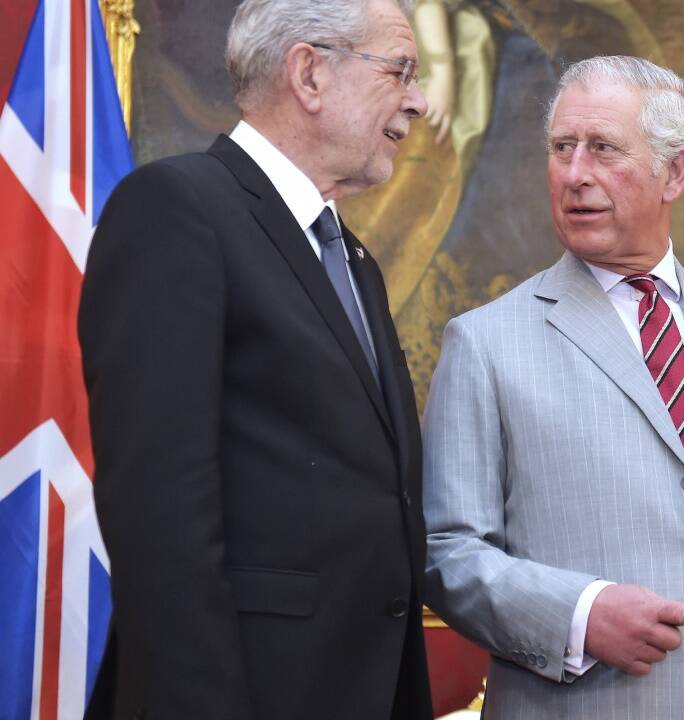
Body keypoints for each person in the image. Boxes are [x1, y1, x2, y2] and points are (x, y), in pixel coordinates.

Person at [78, 1, 433, 717]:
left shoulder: (352, 258)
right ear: (309, 74)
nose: (418, 102)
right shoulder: (176, 209)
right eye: (400, 71)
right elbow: (160, 516)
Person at [422, 55, 684, 718]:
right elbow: (444, 551)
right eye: (562, 148)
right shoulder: (485, 343)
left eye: (602, 149)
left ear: (674, 172)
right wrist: (579, 615)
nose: (574, 175)